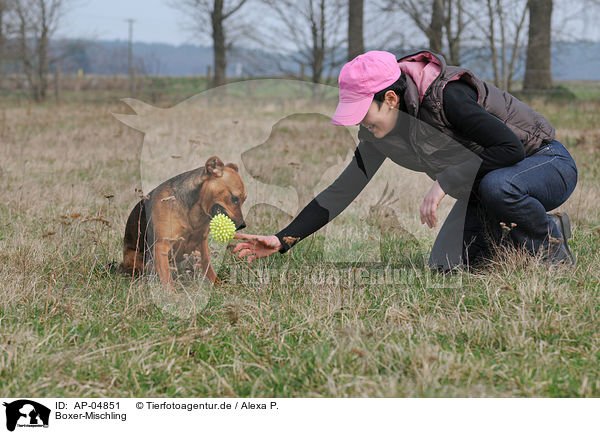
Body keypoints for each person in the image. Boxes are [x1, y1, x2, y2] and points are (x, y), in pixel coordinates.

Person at [232, 50, 578, 270]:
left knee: (498, 185)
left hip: (546, 163)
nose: (358, 122)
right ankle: (531, 227)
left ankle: (550, 248)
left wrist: (443, 182)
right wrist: (283, 239)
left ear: (392, 99)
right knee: (448, 266)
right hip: (489, 188)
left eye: (362, 111)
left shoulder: (448, 97)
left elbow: (510, 150)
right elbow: (342, 191)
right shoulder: (379, 134)